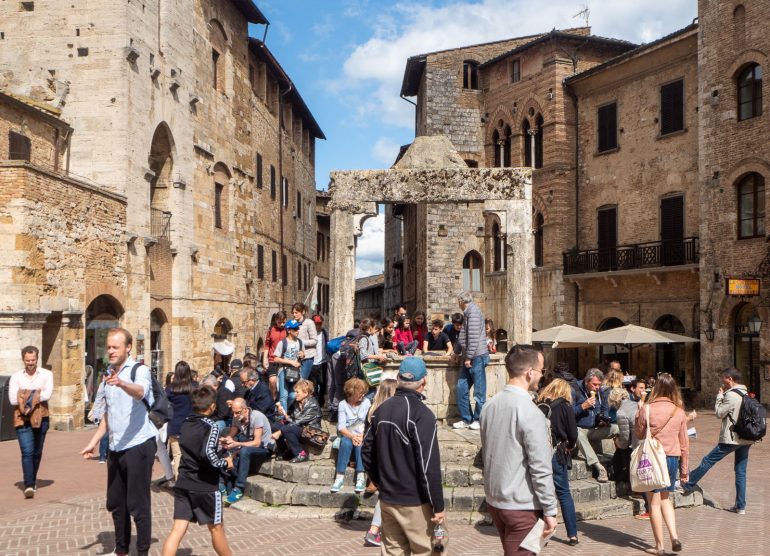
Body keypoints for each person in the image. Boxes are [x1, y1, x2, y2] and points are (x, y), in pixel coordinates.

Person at [80, 328, 158, 556]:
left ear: (128, 348)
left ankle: (142, 552)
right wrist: (94, 441)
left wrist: (122, 383)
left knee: (138, 504)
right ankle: (121, 550)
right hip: (115, 447)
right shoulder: (108, 375)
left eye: (116, 347)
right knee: (116, 502)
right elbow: (109, 415)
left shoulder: (139, 370)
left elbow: (141, 392)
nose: (111, 351)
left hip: (139, 445)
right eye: (109, 347)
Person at [362, 357, 445, 556]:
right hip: (415, 501)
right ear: (424, 381)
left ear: (398, 378)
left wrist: (380, 481)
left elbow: (366, 451)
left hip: (388, 499)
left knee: (392, 551)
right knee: (427, 550)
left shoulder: (382, 409)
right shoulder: (421, 414)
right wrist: (438, 505)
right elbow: (428, 466)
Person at [480, 345, 557, 555]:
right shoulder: (531, 412)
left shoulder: (490, 405)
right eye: (541, 370)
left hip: (496, 500)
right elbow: (540, 466)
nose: (542, 376)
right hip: (521, 504)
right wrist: (550, 509)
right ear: (530, 372)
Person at [161, 386, 234, 556]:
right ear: (212, 406)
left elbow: (194, 444)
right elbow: (207, 454)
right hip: (205, 485)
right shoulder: (211, 426)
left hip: (184, 481)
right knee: (217, 528)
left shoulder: (186, 423)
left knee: (178, 529)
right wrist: (225, 462)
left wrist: (215, 442)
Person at [680, 366, 754, 514]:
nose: (722, 381)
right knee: (741, 471)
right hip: (746, 438)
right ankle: (740, 506)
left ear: (730, 379)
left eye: (723, 378)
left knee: (708, 460)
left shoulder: (731, 395)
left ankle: (688, 484)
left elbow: (719, 413)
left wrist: (720, 396)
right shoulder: (746, 393)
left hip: (731, 438)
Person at [634, 373, 688, 555]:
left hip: (653, 458)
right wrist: (684, 470)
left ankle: (659, 546)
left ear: (655, 388)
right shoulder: (679, 411)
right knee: (666, 498)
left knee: (653, 503)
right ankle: (674, 536)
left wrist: (639, 412)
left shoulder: (647, 409)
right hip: (672, 457)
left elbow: (639, 434)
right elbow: (684, 444)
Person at [537, 378, 578, 546]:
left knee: (541, 494)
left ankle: (542, 535)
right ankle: (572, 534)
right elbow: (573, 433)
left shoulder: (538, 404)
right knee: (563, 493)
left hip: (539, 453)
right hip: (557, 452)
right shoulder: (565, 407)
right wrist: (569, 445)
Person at [9, 345, 54, 498]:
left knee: (37, 452)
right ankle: (28, 485)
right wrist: (35, 395)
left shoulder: (46, 374)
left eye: (33, 360)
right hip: (22, 418)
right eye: (27, 360)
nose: (30, 363)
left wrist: (24, 396)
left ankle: (32, 479)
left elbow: (47, 394)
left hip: (42, 417)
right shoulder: (16, 377)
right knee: (27, 451)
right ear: (23, 360)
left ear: (37, 359)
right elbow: (12, 399)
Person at [363, 378, 398, 548]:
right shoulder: (387, 413)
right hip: (387, 460)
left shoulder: (372, 410)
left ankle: (383, 529)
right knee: (386, 496)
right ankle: (373, 531)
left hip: (376, 460)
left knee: (386, 495)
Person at [222, 397, 274, 504]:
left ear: (245, 409)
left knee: (243, 451)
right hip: (246, 445)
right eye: (233, 412)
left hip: (263, 448)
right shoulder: (237, 417)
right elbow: (231, 435)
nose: (235, 415)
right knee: (225, 449)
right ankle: (224, 482)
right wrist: (224, 441)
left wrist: (238, 445)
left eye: (237, 412)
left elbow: (257, 443)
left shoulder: (257, 417)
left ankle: (239, 488)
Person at [572, 368, 618, 482]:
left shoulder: (601, 391)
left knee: (618, 428)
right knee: (577, 432)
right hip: (580, 429)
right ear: (587, 381)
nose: (597, 387)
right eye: (594, 384)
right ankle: (599, 467)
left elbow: (604, 409)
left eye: (599, 384)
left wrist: (604, 420)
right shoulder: (574, 389)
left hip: (595, 428)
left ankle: (622, 459)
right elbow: (568, 413)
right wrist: (583, 406)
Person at [453, 291, 489, 431]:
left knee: (479, 392)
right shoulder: (468, 313)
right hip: (470, 356)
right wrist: (456, 352)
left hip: (477, 357)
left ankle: (478, 419)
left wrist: (468, 357)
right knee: (461, 388)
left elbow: (473, 338)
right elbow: (463, 335)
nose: (458, 304)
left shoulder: (473, 313)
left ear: (461, 301)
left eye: (458, 301)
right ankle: (466, 419)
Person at [332, 378, 371, 493]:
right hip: (348, 434)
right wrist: (353, 437)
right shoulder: (342, 405)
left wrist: (361, 436)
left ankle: (360, 476)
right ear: (352, 392)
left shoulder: (366, 402)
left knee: (360, 445)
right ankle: (339, 477)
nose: (362, 395)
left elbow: (369, 423)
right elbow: (341, 428)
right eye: (360, 393)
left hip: (362, 434)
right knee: (345, 443)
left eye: (364, 392)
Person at [272, 379, 321, 463]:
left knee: (286, 429)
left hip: (310, 431)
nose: (295, 394)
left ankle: (301, 454)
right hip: (299, 428)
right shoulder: (298, 403)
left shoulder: (313, 405)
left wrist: (280, 432)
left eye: (297, 392)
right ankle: (286, 451)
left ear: (305, 393)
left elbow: (299, 421)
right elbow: (293, 419)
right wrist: (284, 415)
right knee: (275, 426)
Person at [166, 361, 196, 481]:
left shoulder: (171, 389)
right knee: (190, 455)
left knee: (177, 455)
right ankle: (191, 480)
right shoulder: (195, 386)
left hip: (175, 425)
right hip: (191, 425)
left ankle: (180, 482)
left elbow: (162, 403)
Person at [273, 319, 304, 410]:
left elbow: (302, 354)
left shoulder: (300, 342)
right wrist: (290, 362)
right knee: (284, 396)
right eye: (295, 329)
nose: (297, 331)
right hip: (284, 371)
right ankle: (283, 419)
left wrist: (303, 355)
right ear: (288, 330)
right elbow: (275, 358)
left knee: (293, 395)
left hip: (296, 372)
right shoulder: (282, 343)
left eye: (298, 328)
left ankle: (281, 410)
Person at [262, 311, 287, 400]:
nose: (282, 324)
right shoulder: (271, 330)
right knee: (272, 381)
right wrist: (265, 359)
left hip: (284, 360)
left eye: (284, 322)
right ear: (276, 320)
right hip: (272, 359)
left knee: (283, 383)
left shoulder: (287, 330)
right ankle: (272, 399)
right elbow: (267, 345)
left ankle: (280, 400)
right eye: (280, 322)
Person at [292, 302, 318, 381]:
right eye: (293, 313)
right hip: (295, 357)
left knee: (301, 380)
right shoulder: (292, 323)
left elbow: (314, 340)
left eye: (296, 313)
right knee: (294, 379)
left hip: (307, 356)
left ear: (302, 312)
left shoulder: (309, 323)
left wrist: (300, 342)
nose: (294, 315)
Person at [311, 315, 328, 405]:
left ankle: (321, 401)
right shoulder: (309, 334)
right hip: (312, 362)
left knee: (323, 383)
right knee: (313, 384)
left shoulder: (325, 332)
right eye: (316, 324)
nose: (318, 326)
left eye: (319, 324)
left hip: (323, 362)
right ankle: (316, 403)